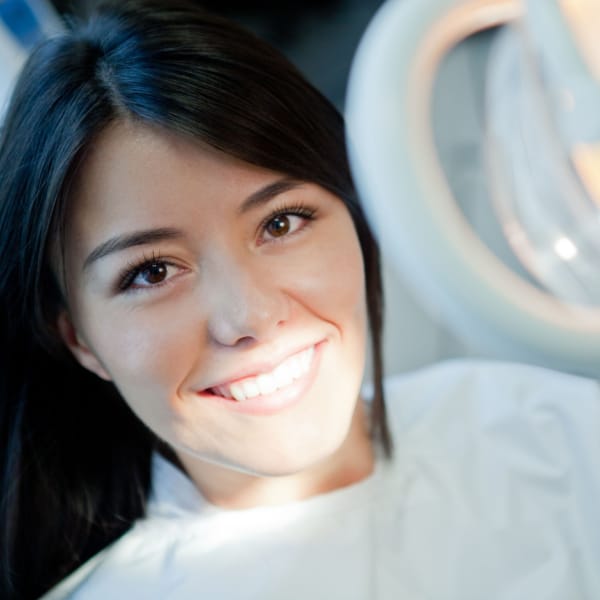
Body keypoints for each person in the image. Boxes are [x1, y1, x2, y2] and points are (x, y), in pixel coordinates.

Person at [0, 1, 598, 599]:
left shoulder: (547, 432)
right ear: (80, 339)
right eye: (153, 271)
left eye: (282, 223)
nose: (253, 317)